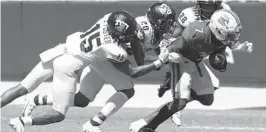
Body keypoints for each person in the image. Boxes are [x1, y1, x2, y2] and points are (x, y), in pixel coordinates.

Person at [5, 10, 169, 132]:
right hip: (67, 65)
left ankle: (35, 101)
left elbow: (118, 28)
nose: (128, 37)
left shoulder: (107, 19)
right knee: (58, 115)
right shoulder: (113, 49)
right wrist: (160, 61)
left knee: (22, 87)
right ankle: (21, 122)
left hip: (60, 50)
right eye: (126, 35)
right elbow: (133, 72)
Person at [130, 9, 251, 132]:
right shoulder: (197, 32)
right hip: (180, 58)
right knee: (180, 103)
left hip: (195, 60)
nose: (232, 38)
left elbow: (219, 53)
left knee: (207, 98)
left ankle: (174, 91)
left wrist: (219, 60)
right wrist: (166, 57)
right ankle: (146, 126)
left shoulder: (220, 37)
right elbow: (175, 47)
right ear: (218, 30)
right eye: (229, 35)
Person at [157, 0, 253, 127]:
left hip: (200, 56)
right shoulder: (188, 15)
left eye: (211, 5)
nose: (208, 9)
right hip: (183, 56)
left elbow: (228, 37)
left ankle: (174, 92)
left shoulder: (224, 12)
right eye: (205, 5)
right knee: (185, 93)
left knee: (210, 92)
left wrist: (238, 46)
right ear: (198, 4)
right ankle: (176, 104)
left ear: (218, 4)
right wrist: (167, 45)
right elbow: (175, 38)